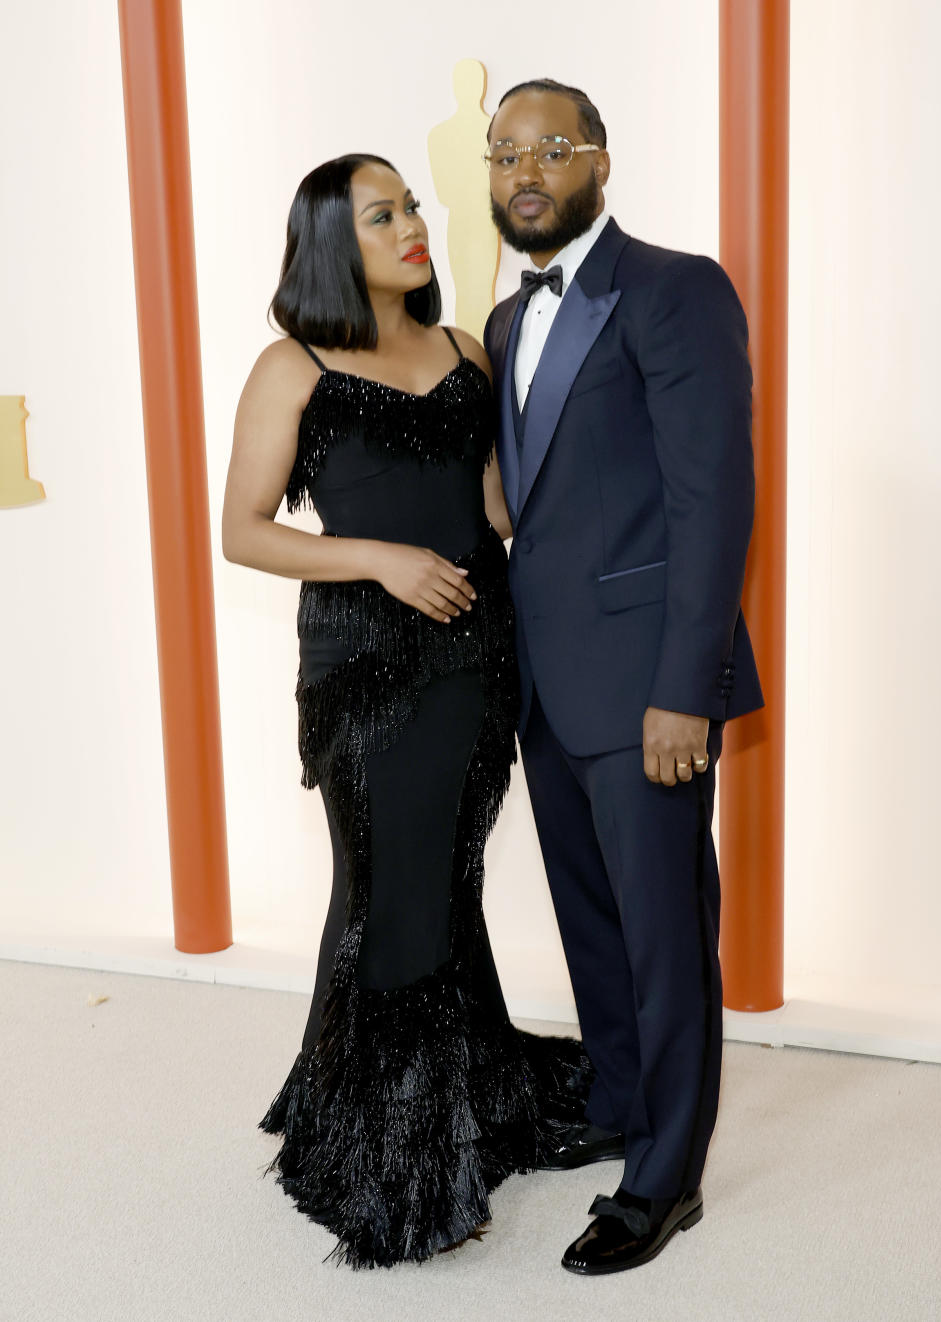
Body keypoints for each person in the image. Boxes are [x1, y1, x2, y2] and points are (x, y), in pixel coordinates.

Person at [222, 153, 591, 1269]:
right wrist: (379, 557)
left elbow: (492, 510)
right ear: (335, 241)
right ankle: (388, 1146)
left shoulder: (464, 350)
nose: (413, 223)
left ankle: (431, 1091)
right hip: (369, 662)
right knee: (390, 886)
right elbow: (242, 528)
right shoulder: (290, 366)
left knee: (439, 878)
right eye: (382, 214)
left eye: (412, 205)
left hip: (478, 655)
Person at [483, 80, 764, 1275]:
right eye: (505, 152)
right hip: (548, 680)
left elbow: (714, 499)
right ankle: (614, 1103)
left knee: (663, 933)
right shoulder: (503, 323)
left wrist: (684, 687)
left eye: (551, 148)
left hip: (648, 681)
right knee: (592, 919)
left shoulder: (675, 287)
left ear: (601, 161)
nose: (525, 171)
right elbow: (531, 507)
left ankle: (667, 1175)